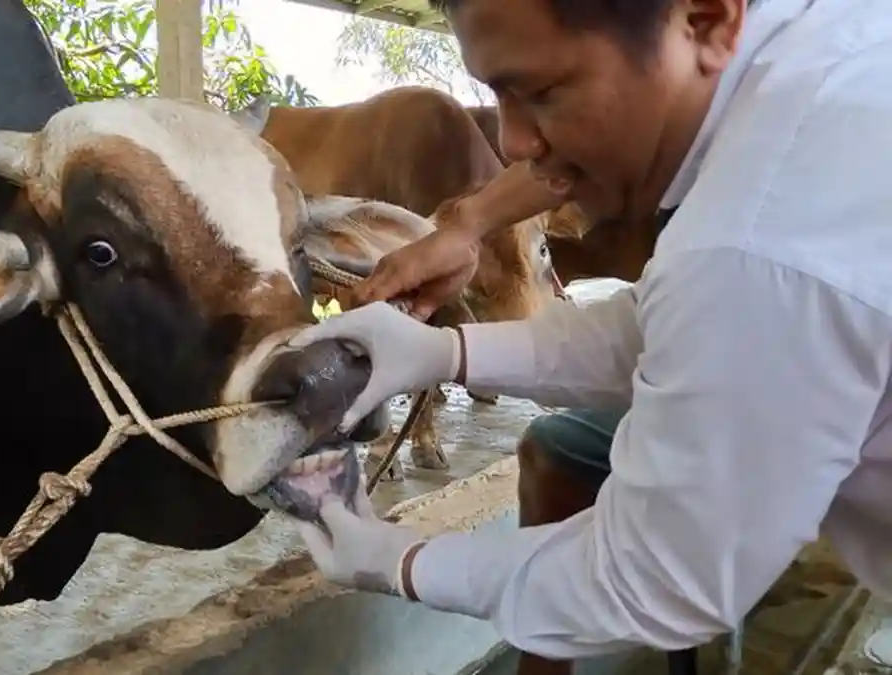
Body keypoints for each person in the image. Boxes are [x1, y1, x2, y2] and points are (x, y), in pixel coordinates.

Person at [285, 1, 892, 674]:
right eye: (498, 94)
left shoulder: (758, 234)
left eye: (542, 91)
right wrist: (448, 352)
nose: (513, 143)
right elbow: (676, 324)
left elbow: (657, 577)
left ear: (707, 20)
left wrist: (399, 559)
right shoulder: (821, 54)